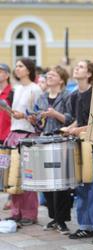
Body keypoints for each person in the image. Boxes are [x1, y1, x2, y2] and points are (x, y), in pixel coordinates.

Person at [64, 60, 93, 244]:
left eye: (81, 67)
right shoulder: (75, 96)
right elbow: (77, 120)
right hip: (80, 144)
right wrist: (68, 128)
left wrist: (78, 129)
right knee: (81, 186)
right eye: (77, 66)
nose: (77, 68)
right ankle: (85, 226)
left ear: (89, 74)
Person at [31, 65, 73, 234]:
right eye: (47, 75)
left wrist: (55, 114)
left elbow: (70, 119)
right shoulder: (41, 97)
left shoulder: (67, 96)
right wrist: (35, 118)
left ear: (61, 79)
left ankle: (62, 220)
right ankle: (53, 218)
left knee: (61, 184)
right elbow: (37, 122)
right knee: (47, 183)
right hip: (45, 141)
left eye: (52, 75)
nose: (48, 77)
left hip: (61, 143)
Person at [4, 58, 43, 226]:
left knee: (28, 176)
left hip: (28, 136)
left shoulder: (36, 89)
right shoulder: (17, 88)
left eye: (20, 66)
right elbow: (14, 114)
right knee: (13, 176)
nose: (17, 68)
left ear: (28, 70)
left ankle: (29, 214)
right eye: (17, 66)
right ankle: (16, 212)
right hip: (14, 134)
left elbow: (40, 118)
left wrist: (25, 116)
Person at [0, 63, 14, 209]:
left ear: (7, 75)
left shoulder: (12, 92)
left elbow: (15, 114)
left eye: (1, 71)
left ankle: (11, 198)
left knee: (8, 168)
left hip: (7, 135)